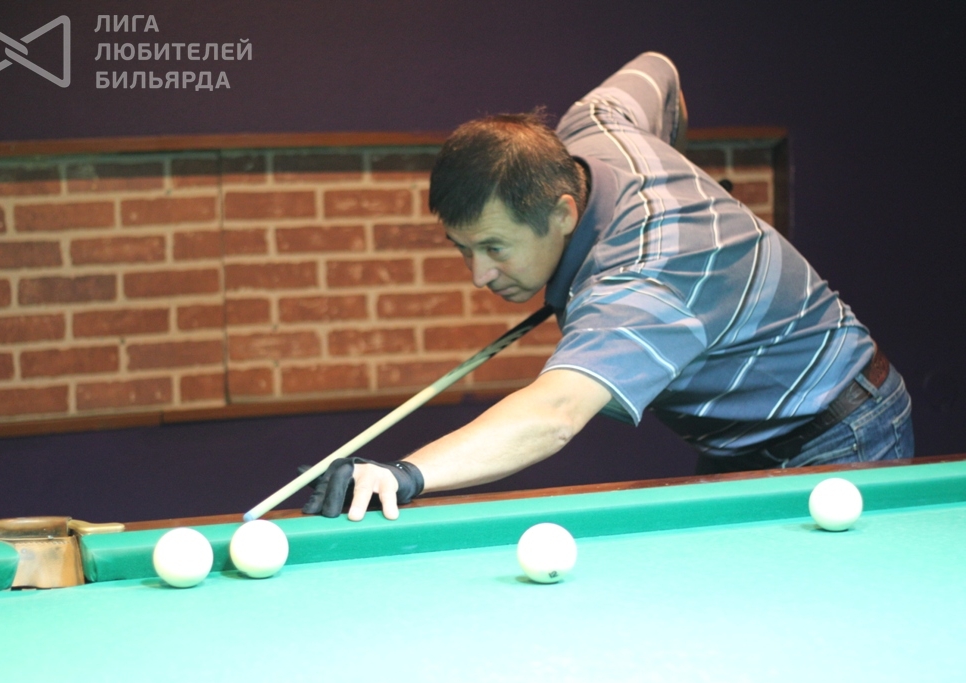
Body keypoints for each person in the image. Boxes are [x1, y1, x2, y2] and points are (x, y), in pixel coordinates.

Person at [302, 52, 914, 520]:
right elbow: (659, 70)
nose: (479, 274)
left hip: (839, 430)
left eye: (494, 248)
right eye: (463, 249)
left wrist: (406, 474)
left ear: (563, 213)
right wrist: (682, 181)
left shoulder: (642, 278)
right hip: (745, 440)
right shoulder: (594, 127)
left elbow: (556, 414)